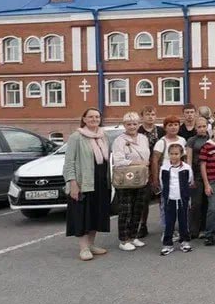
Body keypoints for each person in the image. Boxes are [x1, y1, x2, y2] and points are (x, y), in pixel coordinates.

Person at [64, 108, 112, 261]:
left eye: (97, 117)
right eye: (90, 117)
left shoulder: (104, 136)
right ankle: (83, 248)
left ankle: (91, 245)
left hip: (101, 182)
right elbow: (69, 162)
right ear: (84, 119)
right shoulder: (76, 137)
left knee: (96, 214)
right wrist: (73, 183)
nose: (94, 119)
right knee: (82, 215)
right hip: (84, 182)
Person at [111, 111, 151, 252]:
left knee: (138, 208)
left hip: (141, 177)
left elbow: (147, 156)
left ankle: (133, 236)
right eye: (129, 124)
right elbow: (118, 160)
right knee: (126, 209)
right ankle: (124, 239)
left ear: (139, 124)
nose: (132, 126)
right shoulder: (119, 140)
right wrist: (137, 162)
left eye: (135, 124)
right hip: (126, 178)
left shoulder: (143, 138)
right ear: (124, 125)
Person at [159, 143, 194, 255]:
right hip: (169, 199)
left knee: (183, 221)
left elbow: (189, 181)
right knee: (169, 222)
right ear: (168, 154)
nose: (174, 156)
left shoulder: (186, 168)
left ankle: (185, 242)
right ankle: (168, 244)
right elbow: (162, 183)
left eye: (176, 154)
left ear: (181, 154)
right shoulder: (164, 168)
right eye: (171, 154)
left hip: (182, 199)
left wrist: (185, 195)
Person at [135, 105, 164, 239]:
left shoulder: (161, 131)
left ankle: (165, 224)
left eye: (152, 114)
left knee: (162, 197)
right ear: (142, 117)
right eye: (147, 114)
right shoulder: (138, 131)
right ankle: (142, 225)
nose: (150, 117)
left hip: (160, 166)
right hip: (144, 168)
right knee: (143, 198)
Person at [185, 116, 210, 239]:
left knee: (207, 203)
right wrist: (190, 177)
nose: (202, 129)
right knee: (196, 203)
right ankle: (193, 230)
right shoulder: (191, 140)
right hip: (196, 174)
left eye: (204, 126)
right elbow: (188, 159)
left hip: (210, 174)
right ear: (195, 128)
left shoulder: (211, 139)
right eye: (199, 127)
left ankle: (204, 228)